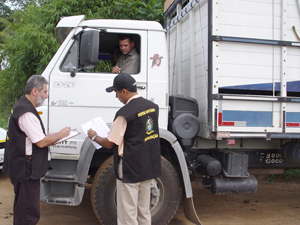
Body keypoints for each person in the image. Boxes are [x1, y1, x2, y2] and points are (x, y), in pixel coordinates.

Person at [87, 73, 161, 225]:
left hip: (130, 168)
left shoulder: (124, 114)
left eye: (117, 92)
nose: (117, 97)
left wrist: (94, 136)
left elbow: (109, 143)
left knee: (128, 214)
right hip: (148, 166)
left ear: (124, 91)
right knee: (143, 211)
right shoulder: (152, 107)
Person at [3, 75, 71, 225]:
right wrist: (60, 135)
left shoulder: (23, 106)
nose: (47, 96)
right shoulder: (27, 112)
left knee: (23, 208)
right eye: (45, 92)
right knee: (28, 212)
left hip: (22, 166)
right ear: (35, 91)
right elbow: (40, 142)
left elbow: (33, 137)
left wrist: (52, 136)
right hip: (26, 169)